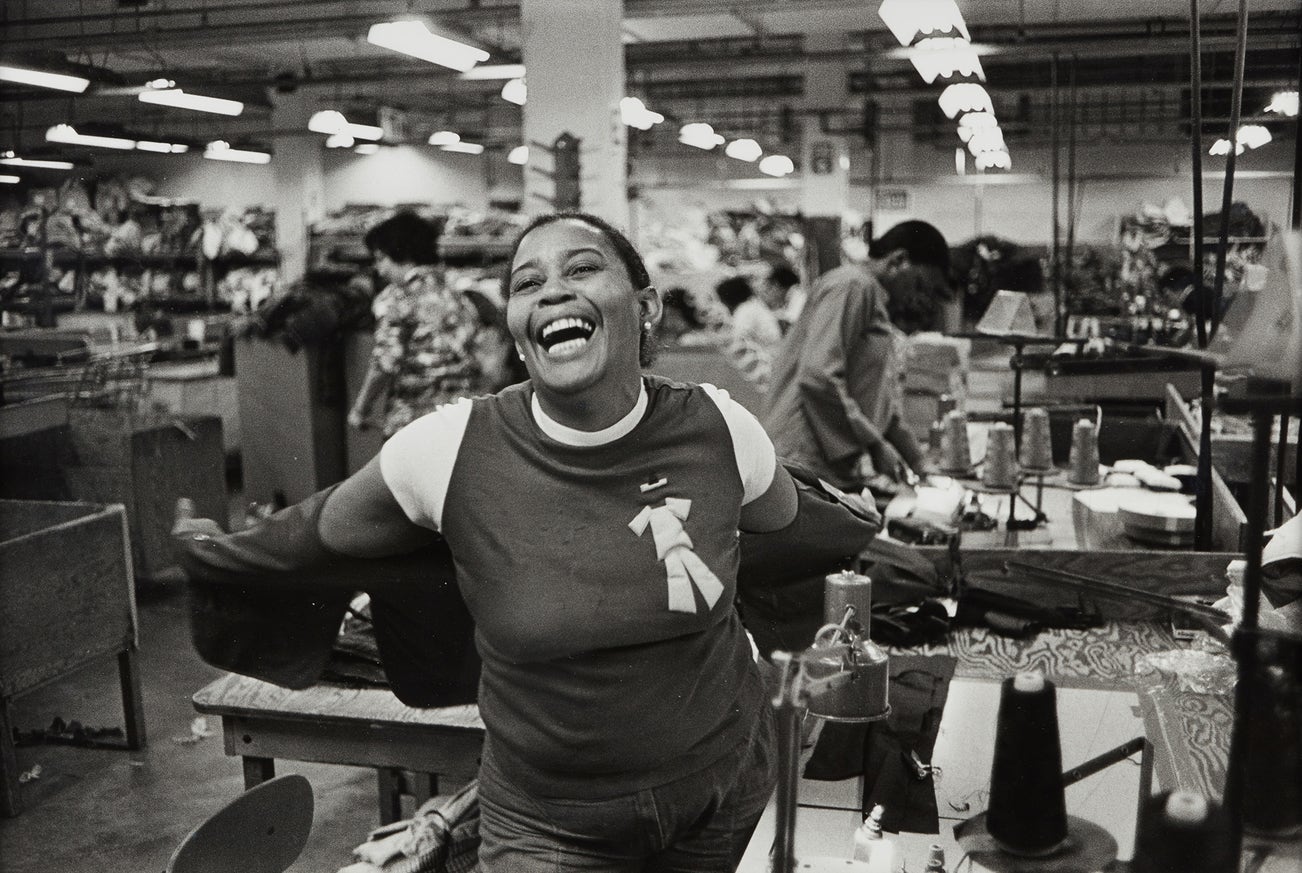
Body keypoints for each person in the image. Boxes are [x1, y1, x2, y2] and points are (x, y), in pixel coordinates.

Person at [175, 211, 804, 872]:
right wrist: (210, 551)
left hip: (722, 792)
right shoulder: (448, 450)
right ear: (516, 327)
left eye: (582, 268)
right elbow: (310, 534)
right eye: (527, 283)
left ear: (646, 307)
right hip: (549, 826)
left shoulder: (721, 427)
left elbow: (788, 519)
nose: (552, 290)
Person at [764, 219, 950, 487]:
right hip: (801, 454)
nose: (918, 297)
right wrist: (875, 445)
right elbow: (819, 376)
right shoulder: (853, 286)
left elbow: (878, 400)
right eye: (919, 285)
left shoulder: (871, 297)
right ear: (898, 260)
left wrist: (917, 461)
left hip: (822, 462)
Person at [347, 211, 500, 438]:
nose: (379, 270)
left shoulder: (396, 298)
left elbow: (385, 363)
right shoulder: (458, 296)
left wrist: (361, 408)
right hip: (461, 420)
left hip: (415, 423)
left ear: (401, 253)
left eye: (381, 259)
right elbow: (484, 360)